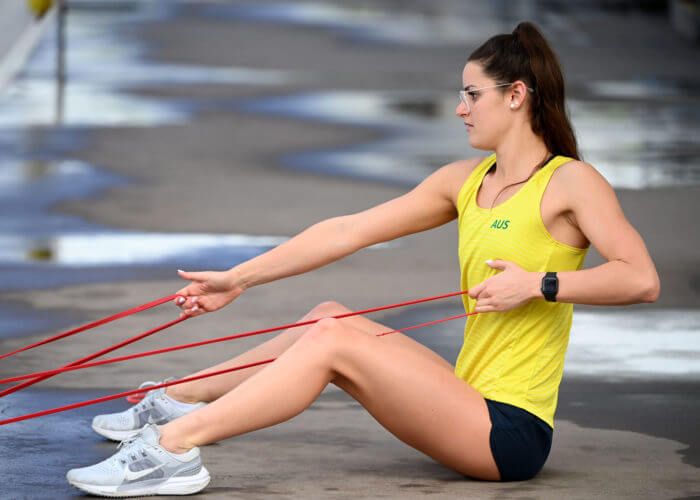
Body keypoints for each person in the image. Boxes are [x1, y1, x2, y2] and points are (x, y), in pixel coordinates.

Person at [66, 21, 660, 496]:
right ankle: (180, 398)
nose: (461, 108)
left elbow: (640, 279)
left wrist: (540, 283)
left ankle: (173, 449)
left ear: (516, 96)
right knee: (329, 315)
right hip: (465, 400)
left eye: (472, 94)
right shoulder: (466, 180)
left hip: (510, 432)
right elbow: (348, 231)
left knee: (333, 341)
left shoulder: (570, 182)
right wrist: (238, 279)